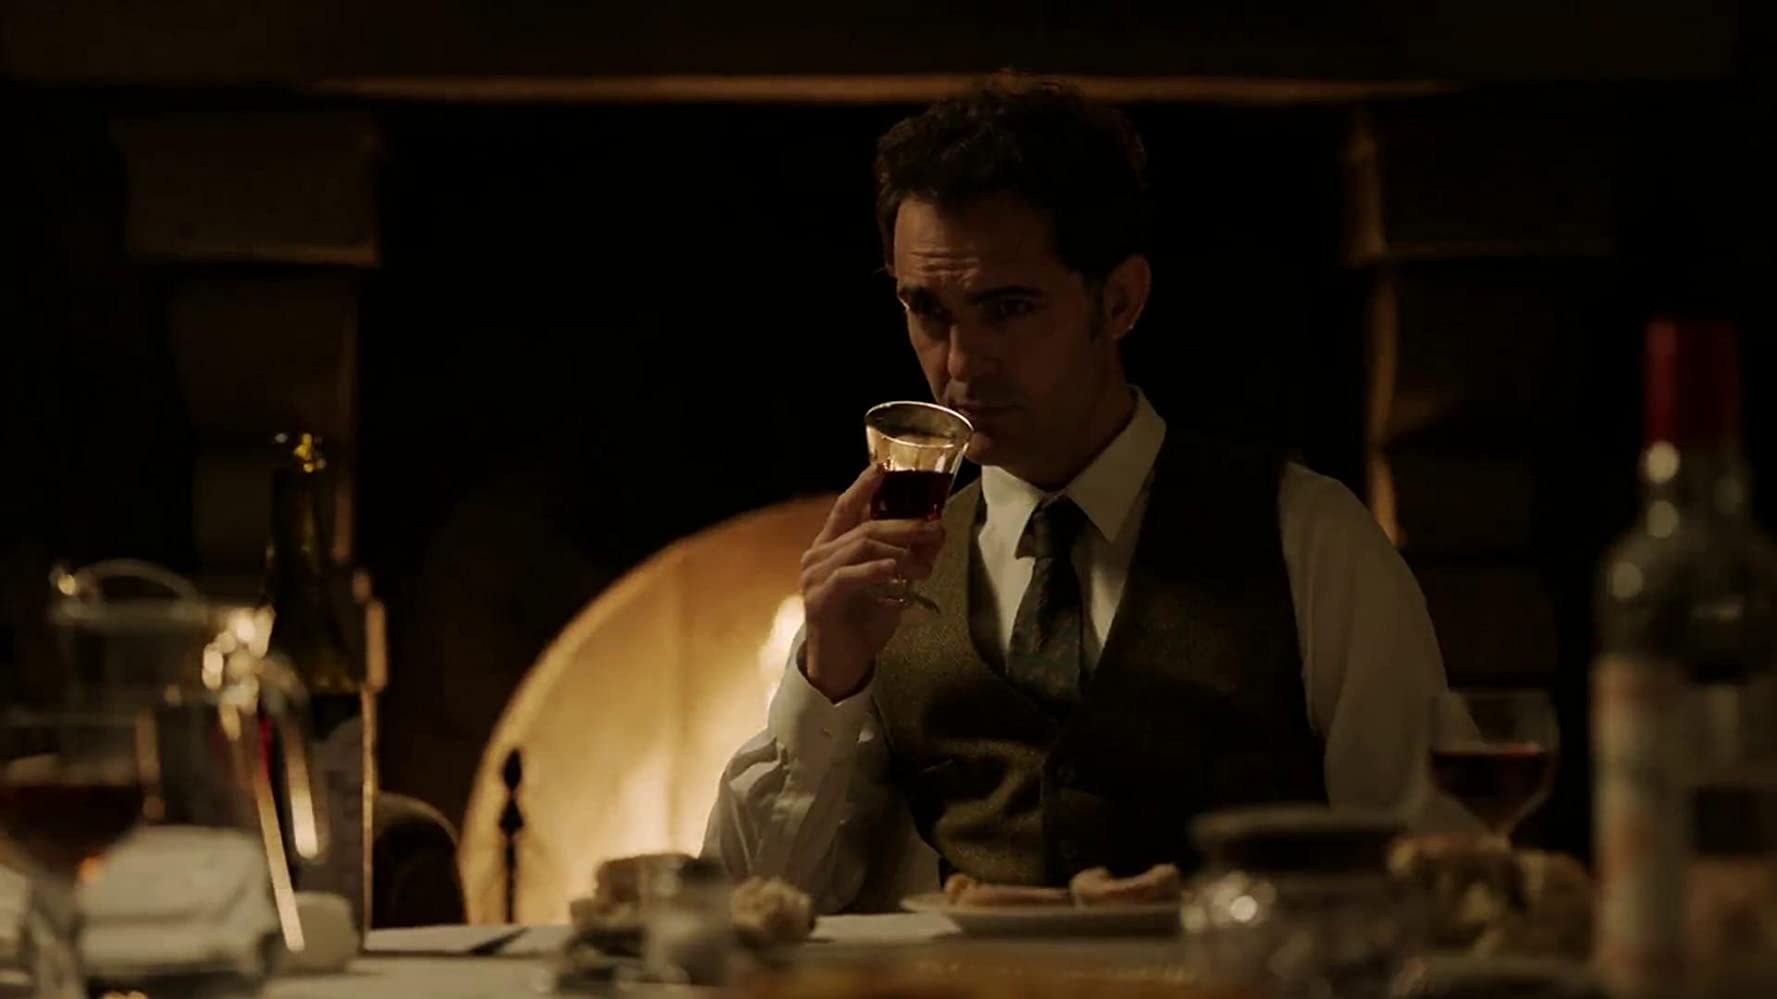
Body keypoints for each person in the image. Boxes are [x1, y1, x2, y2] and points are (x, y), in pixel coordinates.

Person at [704, 77, 1464, 914]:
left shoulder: (1306, 536)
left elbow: (1432, 869)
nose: (959, 365)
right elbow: (749, 905)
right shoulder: (891, 577)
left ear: (1120, 300)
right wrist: (826, 674)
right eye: (928, 311)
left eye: (1007, 308)